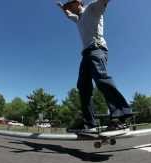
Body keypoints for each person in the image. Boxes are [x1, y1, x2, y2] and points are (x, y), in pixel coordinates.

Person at [57, 0, 133, 133]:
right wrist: (62, 7)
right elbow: (68, 15)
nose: (70, 8)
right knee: (83, 86)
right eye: (68, 7)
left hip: (98, 50)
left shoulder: (92, 8)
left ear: (79, 3)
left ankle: (120, 115)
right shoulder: (77, 18)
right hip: (86, 54)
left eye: (71, 5)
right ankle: (89, 122)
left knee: (101, 78)